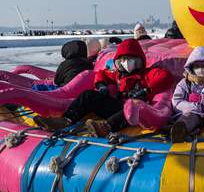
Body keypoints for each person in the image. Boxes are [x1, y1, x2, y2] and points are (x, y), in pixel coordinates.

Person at [35, 39, 173, 137]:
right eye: (122, 60)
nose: (127, 64)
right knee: (88, 95)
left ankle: (106, 127)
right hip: (117, 106)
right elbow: (102, 74)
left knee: (132, 106)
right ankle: (65, 120)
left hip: (135, 111)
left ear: (140, 61)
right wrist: (101, 86)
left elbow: (165, 77)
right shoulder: (118, 75)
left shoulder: (146, 74)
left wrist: (146, 90)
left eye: (133, 60)